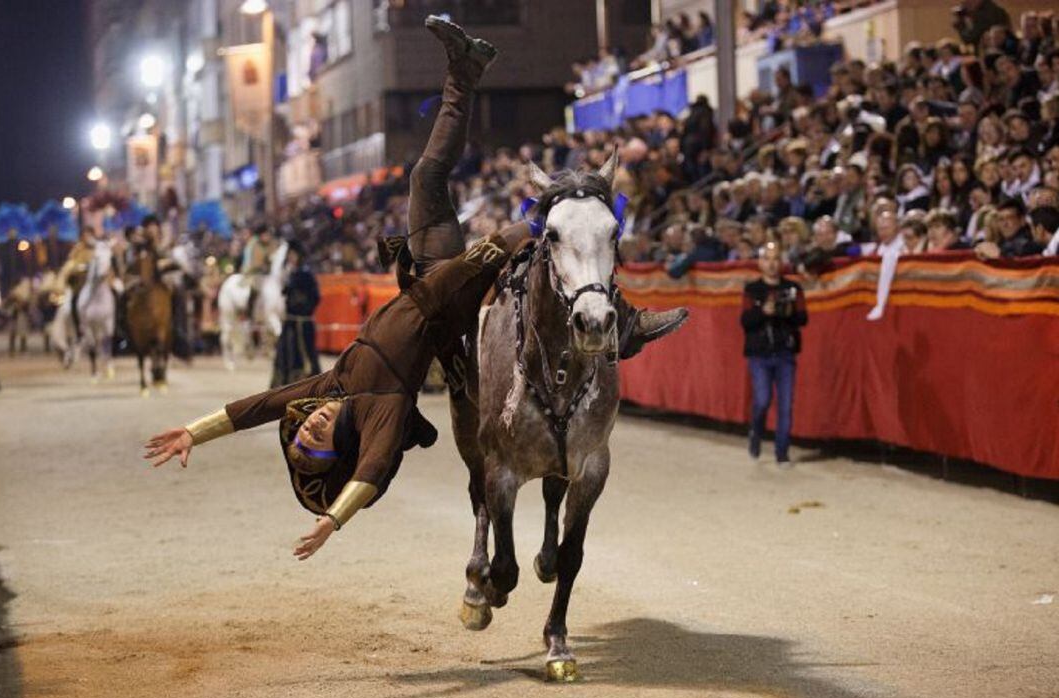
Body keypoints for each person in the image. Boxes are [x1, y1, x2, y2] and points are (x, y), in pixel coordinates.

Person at [144, 17, 688, 561]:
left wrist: (196, 431)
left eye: (300, 432)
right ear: (340, 444)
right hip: (444, 304)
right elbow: (375, 473)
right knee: (557, 249)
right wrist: (335, 519)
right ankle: (627, 320)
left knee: (425, 177)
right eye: (317, 440)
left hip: (426, 278)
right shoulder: (382, 411)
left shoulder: (334, 385)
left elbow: (260, 406)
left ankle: (465, 70)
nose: (309, 425)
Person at [740, 241, 807, 465]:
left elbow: (802, 318)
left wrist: (787, 312)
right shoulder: (752, 290)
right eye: (767, 259)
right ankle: (756, 433)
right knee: (762, 400)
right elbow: (745, 321)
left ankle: (782, 453)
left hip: (785, 353)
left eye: (776, 258)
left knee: (786, 405)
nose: (771, 264)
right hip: (759, 354)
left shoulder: (793, 289)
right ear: (760, 263)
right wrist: (763, 311)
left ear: (782, 262)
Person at [270, 242, 321, 388]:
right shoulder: (290, 273)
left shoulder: (306, 274)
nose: (291, 257)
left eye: (293, 254)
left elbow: (315, 297)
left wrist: (303, 307)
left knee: (304, 357)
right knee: (286, 356)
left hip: (302, 324)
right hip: (289, 323)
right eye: (289, 255)